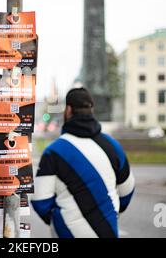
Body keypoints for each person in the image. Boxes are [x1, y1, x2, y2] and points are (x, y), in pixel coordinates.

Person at [31, 87, 135, 238]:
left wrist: (60, 221)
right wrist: (111, 213)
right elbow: (128, 190)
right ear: (91, 110)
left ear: (68, 110)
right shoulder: (113, 146)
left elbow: (41, 200)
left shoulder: (53, 152)